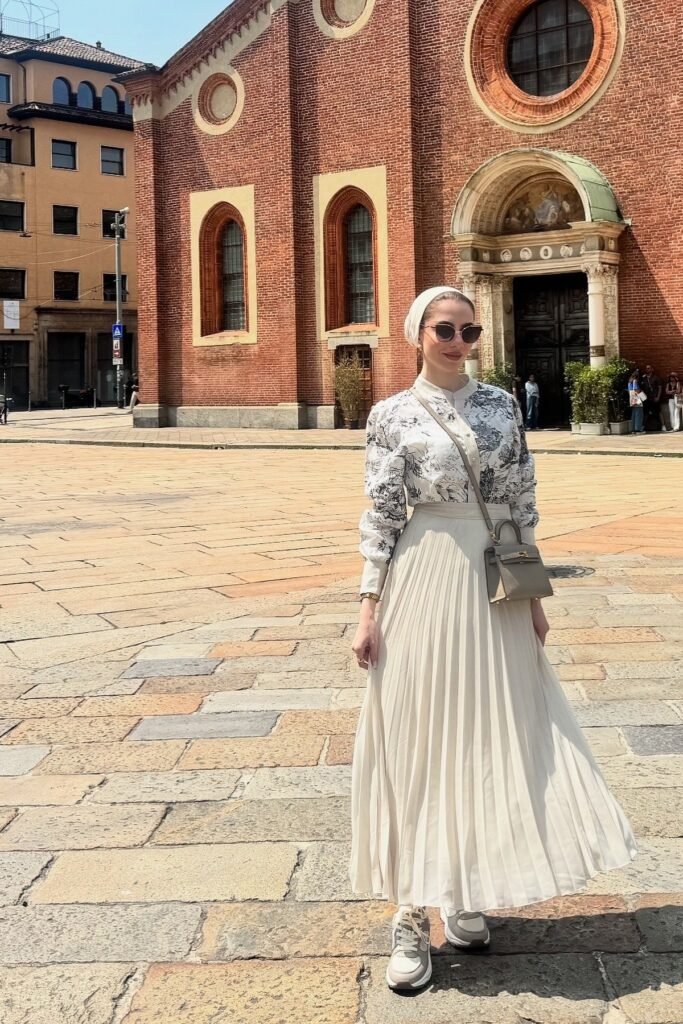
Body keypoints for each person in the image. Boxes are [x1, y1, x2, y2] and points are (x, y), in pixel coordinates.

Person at [350, 285, 638, 993]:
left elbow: (521, 499)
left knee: (489, 732)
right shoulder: (390, 415)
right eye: (444, 329)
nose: (457, 341)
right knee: (415, 737)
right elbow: (382, 513)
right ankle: (410, 913)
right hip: (422, 577)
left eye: (468, 330)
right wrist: (367, 607)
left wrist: (533, 595)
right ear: (418, 334)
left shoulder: (501, 407)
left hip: (491, 582)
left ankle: (462, 890)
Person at [642, 364, 667, 431]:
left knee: (658, 412)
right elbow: (642, 388)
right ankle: (643, 427)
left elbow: (660, 388)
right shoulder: (644, 378)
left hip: (654, 397)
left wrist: (658, 397)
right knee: (646, 413)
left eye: (649, 368)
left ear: (652, 369)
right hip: (647, 398)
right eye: (646, 368)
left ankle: (663, 426)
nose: (647, 369)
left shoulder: (656, 377)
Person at [628, 370, 646, 435]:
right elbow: (636, 390)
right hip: (637, 398)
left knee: (634, 414)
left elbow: (630, 390)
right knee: (639, 413)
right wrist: (643, 395)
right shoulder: (635, 381)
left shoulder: (629, 381)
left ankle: (633, 429)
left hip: (632, 398)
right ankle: (638, 429)